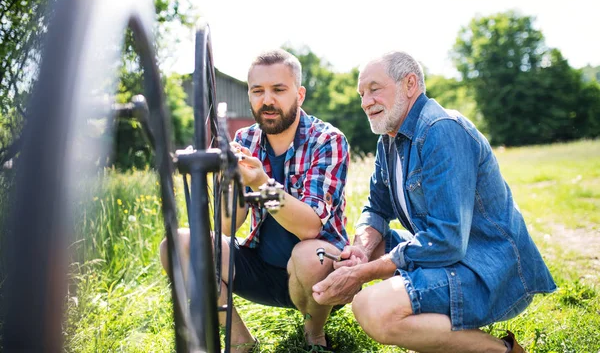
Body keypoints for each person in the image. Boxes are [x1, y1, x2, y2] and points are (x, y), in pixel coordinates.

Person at [312, 51, 556, 353]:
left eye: (375, 89)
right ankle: (436, 336)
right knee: (357, 250)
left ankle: (503, 351)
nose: (365, 101)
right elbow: (376, 208)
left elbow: (447, 239)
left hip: (485, 267)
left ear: (410, 84)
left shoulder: (441, 129)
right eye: (362, 93)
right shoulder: (389, 139)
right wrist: (361, 252)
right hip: (450, 255)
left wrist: (363, 273)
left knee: (371, 309)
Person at [161, 49, 350, 353]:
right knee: (178, 244)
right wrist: (235, 184)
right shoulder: (244, 142)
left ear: (299, 94)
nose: (267, 100)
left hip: (319, 274)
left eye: (278, 90)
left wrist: (262, 184)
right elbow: (225, 228)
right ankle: (240, 342)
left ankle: (313, 334)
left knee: (308, 256)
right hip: (260, 266)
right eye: (257, 91)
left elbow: (310, 229)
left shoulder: (327, 140)